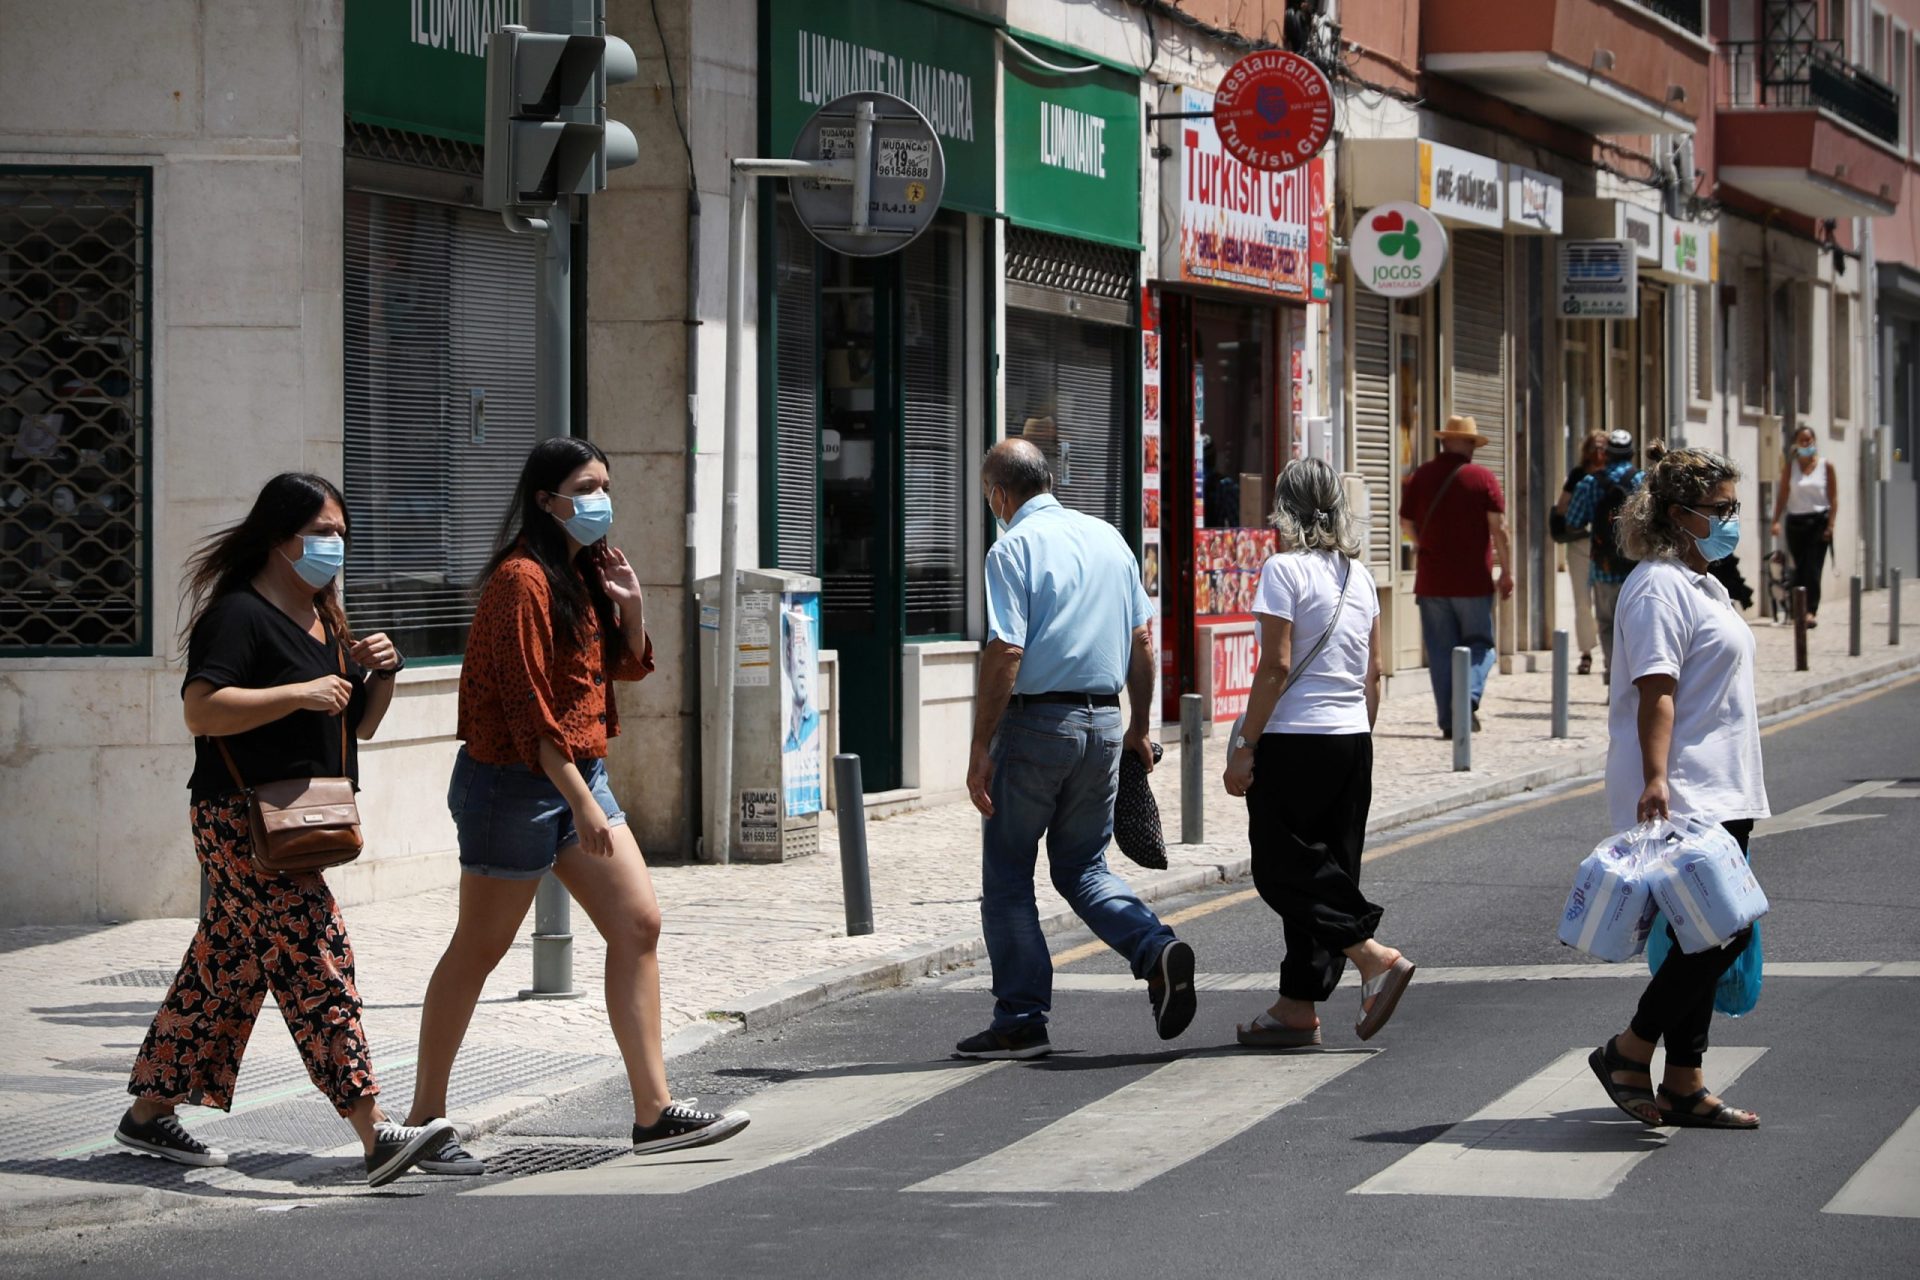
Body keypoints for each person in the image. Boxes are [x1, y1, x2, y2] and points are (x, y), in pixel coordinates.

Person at [404, 438, 747, 1170]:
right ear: (544, 499)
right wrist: (584, 808)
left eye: (605, 485)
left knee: (640, 924)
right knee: (480, 948)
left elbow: (614, 672)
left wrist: (631, 609)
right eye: (586, 487)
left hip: (578, 774)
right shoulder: (519, 582)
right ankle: (424, 1119)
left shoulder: (584, 568)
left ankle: (655, 1112)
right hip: (515, 783)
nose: (600, 500)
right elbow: (529, 709)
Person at [117, 473, 451, 1187]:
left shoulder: (325, 615)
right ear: (278, 537)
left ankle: (147, 1114)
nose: (334, 546)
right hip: (240, 820)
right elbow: (202, 712)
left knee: (225, 974)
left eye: (341, 534)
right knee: (316, 956)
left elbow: (354, 726)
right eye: (320, 532)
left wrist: (381, 678)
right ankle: (372, 1128)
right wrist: (297, 692)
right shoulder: (237, 615)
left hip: (298, 817)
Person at [959, 438, 1197, 1059]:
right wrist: (1141, 728)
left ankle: (1020, 1017)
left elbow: (1007, 650)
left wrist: (980, 746)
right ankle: (1155, 948)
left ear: (999, 494)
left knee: (1010, 875)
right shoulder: (1108, 539)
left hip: (1038, 726)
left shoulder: (1011, 547)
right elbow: (1143, 641)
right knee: (1084, 868)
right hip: (1104, 724)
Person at [1588, 448, 1768, 1131]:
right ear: (1677, 515)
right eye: (1718, 510)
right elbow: (1655, 690)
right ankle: (1629, 1050)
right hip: (1684, 791)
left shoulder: (1705, 585)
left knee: (1705, 938)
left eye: (1732, 509)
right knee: (1721, 930)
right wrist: (1658, 778)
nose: (1729, 522)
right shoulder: (1657, 586)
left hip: (1724, 788)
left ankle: (1685, 1081)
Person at [1222, 460, 1414, 1048]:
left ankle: (1373, 955)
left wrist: (1245, 745)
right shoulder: (1359, 576)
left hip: (1295, 740)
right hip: (1352, 739)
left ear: (1285, 507)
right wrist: (1358, 735)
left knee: (1282, 869)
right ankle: (1296, 1007)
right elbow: (1374, 672)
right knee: (1326, 871)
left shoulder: (1282, 571)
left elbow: (1276, 665)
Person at [1399, 415, 1514, 739]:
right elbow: (1499, 529)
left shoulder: (1422, 476)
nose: (1473, 450)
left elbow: (1405, 523)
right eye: (1472, 443)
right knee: (1481, 645)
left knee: (1440, 651)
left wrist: (1422, 545)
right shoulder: (1482, 478)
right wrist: (1507, 571)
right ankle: (1468, 697)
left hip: (1432, 581)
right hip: (1472, 583)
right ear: (1463, 444)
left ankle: (1450, 721)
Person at [1564, 429, 1643, 684]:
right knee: (1634, 627)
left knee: (1607, 625)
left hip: (1603, 568)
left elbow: (1573, 521)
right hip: (1636, 569)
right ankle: (1635, 678)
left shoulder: (1589, 483)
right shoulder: (1642, 481)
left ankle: (1613, 675)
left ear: (1606, 454)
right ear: (1632, 453)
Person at [1769, 426, 1837, 627]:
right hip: (1796, 523)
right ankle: (1798, 609)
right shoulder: (1791, 467)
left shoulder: (1826, 466)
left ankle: (1810, 611)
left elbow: (1833, 498)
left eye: (1809, 440)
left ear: (1814, 441)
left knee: (1812, 569)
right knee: (1798, 569)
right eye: (1801, 440)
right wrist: (1775, 520)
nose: (1806, 444)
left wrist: (1831, 525)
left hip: (1818, 523)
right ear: (1796, 444)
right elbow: (1782, 496)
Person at [1554, 431, 1609, 675]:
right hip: (1580, 543)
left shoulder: (1614, 474)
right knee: (1582, 600)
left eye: (1603, 447)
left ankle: (1610, 653)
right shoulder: (1578, 475)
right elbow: (1562, 506)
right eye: (1594, 447)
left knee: (1606, 598)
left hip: (1606, 546)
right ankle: (1586, 651)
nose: (1599, 452)